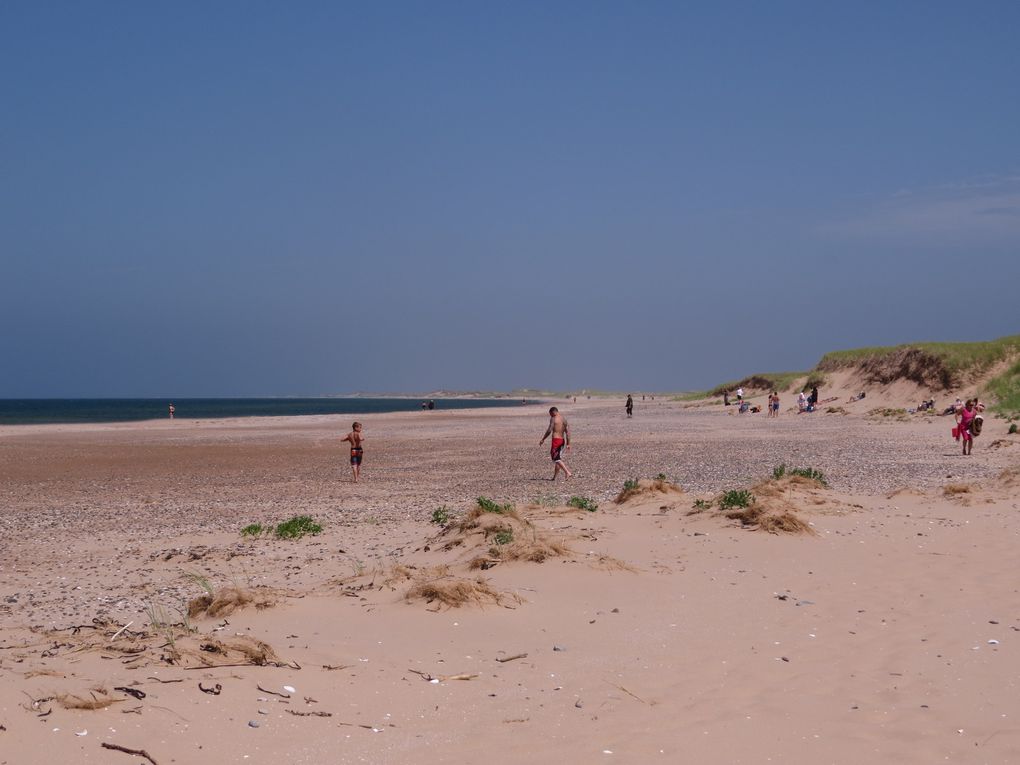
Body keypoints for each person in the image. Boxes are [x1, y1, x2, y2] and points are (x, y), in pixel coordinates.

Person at [539, 406, 572, 479]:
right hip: (562, 441)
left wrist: (543, 439)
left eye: (550, 414)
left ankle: (567, 472)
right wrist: (568, 443)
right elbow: (568, 433)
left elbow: (549, 430)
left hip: (556, 441)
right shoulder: (564, 419)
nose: (550, 416)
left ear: (553, 412)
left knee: (555, 458)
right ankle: (555, 477)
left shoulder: (553, 418)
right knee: (558, 458)